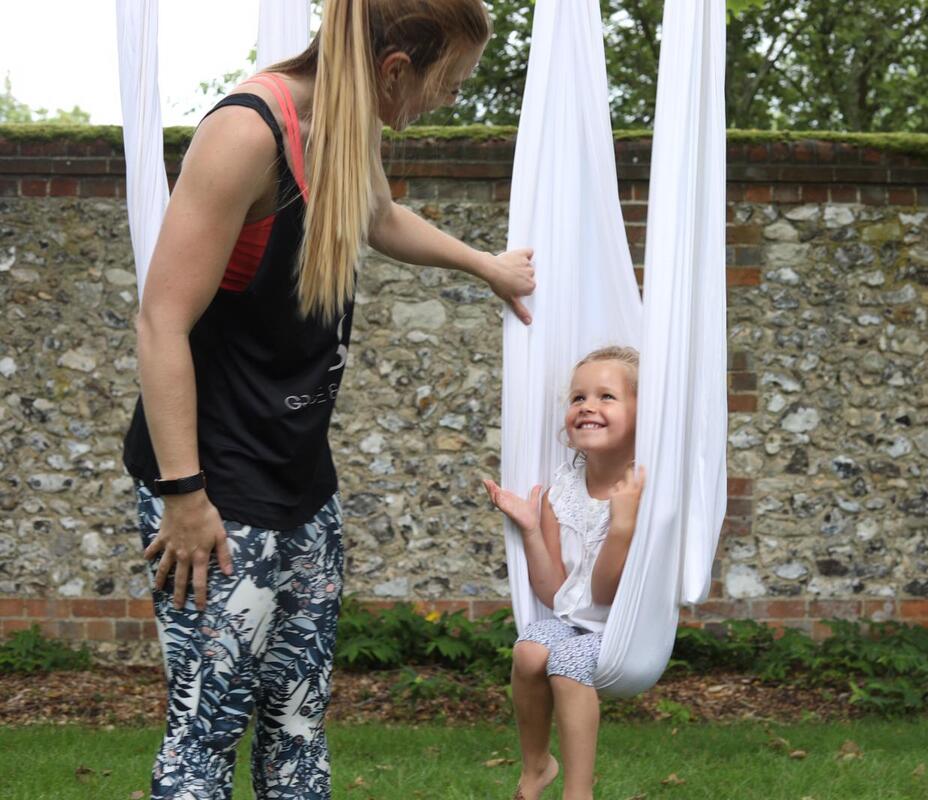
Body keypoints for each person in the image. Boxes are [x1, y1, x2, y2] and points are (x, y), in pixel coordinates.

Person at [123, 1, 534, 797]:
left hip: (303, 482)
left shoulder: (348, 125)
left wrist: (486, 266)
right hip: (213, 486)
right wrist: (183, 495)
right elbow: (159, 320)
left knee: (300, 723)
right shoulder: (247, 135)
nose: (447, 100)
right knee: (207, 730)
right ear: (393, 70)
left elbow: (376, 214)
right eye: (447, 81)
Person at [483, 346, 647, 800]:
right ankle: (537, 766)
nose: (587, 406)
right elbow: (556, 593)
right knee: (531, 648)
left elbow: (608, 592)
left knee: (568, 662)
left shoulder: (645, 491)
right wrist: (533, 529)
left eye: (606, 397)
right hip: (577, 622)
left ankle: (579, 792)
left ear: (642, 414)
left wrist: (624, 525)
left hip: (628, 631)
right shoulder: (564, 488)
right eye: (578, 398)